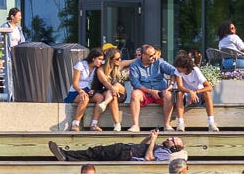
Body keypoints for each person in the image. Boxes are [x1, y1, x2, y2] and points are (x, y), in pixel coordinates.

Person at [49, 129, 186, 162]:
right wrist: (149, 138)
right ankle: (65, 155)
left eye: (172, 139)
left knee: (95, 152)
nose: (168, 138)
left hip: (126, 153)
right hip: (127, 149)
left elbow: (149, 158)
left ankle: (66, 156)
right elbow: (141, 146)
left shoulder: (165, 154)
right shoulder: (160, 147)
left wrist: (153, 142)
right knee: (97, 152)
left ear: (173, 147)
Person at [128, 45, 177, 132]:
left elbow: (174, 71)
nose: (154, 57)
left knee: (169, 95)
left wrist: (171, 85)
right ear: (143, 56)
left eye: (154, 54)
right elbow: (136, 84)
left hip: (160, 92)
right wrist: (151, 91)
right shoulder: (134, 66)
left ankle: (167, 125)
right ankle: (135, 125)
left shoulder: (159, 61)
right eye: (151, 56)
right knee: (135, 94)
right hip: (144, 93)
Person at [172, 52, 218, 132]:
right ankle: (180, 123)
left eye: (179, 67)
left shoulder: (196, 70)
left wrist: (195, 92)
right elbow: (180, 86)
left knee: (206, 93)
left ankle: (211, 123)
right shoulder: (177, 71)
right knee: (179, 93)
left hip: (198, 95)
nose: (177, 69)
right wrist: (190, 92)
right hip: (186, 95)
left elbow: (209, 87)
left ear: (185, 67)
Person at [66, 48, 105, 131]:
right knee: (85, 97)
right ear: (93, 58)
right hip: (76, 91)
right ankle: (76, 123)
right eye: (99, 59)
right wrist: (80, 91)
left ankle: (94, 124)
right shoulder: (81, 65)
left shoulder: (98, 68)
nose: (101, 61)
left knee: (100, 98)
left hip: (88, 91)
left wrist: (93, 90)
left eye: (102, 59)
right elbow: (75, 83)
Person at [217, 20, 244, 90]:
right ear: (226, 29)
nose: (234, 29)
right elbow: (243, 49)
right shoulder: (234, 37)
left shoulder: (221, 40)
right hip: (236, 62)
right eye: (232, 28)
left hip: (225, 63)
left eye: (234, 28)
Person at [90, 48, 126, 132]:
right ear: (110, 59)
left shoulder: (119, 65)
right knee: (112, 95)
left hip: (121, 92)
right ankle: (117, 124)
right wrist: (112, 90)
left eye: (120, 58)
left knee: (116, 85)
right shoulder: (100, 70)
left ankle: (104, 104)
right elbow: (105, 82)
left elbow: (132, 61)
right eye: (117, 59)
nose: (119, 60)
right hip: (109, 94)